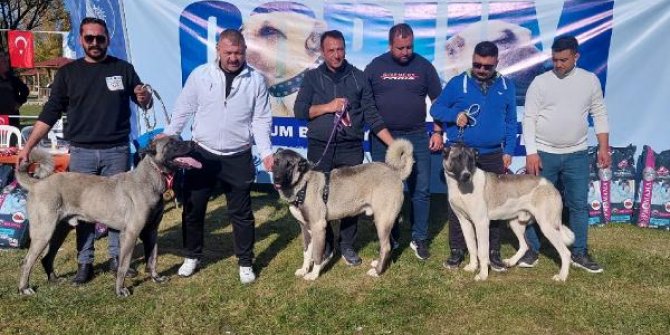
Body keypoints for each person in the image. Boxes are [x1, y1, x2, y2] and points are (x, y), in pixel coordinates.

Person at [17, 17, 153, 284]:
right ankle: (85, 263)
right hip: (82, 153)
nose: (94, 43)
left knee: (120, 209)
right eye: (89, 38)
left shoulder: (123, 69)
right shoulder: (69, 74)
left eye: (99, 38)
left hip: (116, 150)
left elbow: (144, 103)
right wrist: (29, 146)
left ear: (107, 40)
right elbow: (50, 113)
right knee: (83, 212)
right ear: (81, 40)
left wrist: (144, 98)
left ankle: (118, 259)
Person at [163, 29, 273, 284]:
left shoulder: (255, 80)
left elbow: (260, 120)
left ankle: (245, 261)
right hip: (202, 154)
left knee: (241, 213)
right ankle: (192, 255)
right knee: (193, 208)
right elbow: (184, 108)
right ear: (218, 51)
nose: (233, 58)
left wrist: (266, 152)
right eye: (228, 53)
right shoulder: (201, 75)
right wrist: (169, 135)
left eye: (238, 53)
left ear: (245, 52)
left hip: (238, 155)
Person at [294, 30, 394, 266]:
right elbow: (300, 112)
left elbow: (371, 113)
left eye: (340, 49)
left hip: (351, 147)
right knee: (318, 200)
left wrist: (393, 144)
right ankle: (326, 246)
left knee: (353, 200)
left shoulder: (359, 77)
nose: (337, 55)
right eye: (331, 50)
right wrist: (328, 107)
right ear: (322, 52)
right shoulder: (311, 78)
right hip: (321, 148)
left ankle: (347, 245)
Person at [520, 36, 610, 273]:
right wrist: (531, 152)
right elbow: (529, 118)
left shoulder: (590, 81)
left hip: (577, 154)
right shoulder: (540, 82)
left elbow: (599, 114)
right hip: (543, 154)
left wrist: (603, 147)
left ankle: (579, 252)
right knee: (532, 204)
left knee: (578, 205)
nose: (558, 64)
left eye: (563, 60)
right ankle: (532, 249)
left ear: (576, 57)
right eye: (554, 59)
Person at [430, 41, 517, 272]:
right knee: (458, 204)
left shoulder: (507, 86)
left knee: (494, 205)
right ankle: (458, 250)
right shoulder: (458, 83)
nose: (481, 69)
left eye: (487, 66)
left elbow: (510, 122)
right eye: (477, 64)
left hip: (492, 154)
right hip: (462, 153)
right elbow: (435, 110)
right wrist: (454, 114)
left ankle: (493, 252)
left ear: (496, 63)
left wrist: (509, 150)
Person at [364, 23, 443, 260]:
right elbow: (368, 108)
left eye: (409, 47)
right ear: (390, 45)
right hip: (383, 138)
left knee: (421, 189)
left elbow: (438, 101)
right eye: (400, 48)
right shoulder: (375, 67)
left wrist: (438, 131)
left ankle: (419, 238)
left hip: (417, 135)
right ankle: (392, 235)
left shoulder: (424, 66)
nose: (406, 52)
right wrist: (391, 142)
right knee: (385, 192)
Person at [0, 51, 30, 131]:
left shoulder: (12, 78)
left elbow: (25, 91)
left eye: (6, 59)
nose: (5, 60)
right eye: (2, 57)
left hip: (11, 118)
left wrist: (19, 102)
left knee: (11, 141)